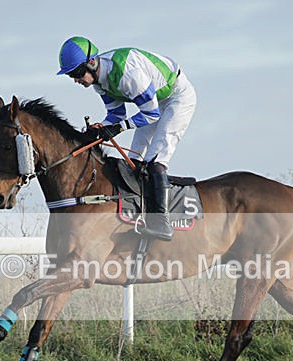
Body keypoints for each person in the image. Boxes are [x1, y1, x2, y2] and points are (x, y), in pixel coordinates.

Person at [57, 36, 196, 241]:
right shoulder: (99, 84)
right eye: (71, 76)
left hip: (177, 98)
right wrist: (99, 128)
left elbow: (151, 114)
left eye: (77, 74)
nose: (76, 80)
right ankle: (138, 213)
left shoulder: (126, 74)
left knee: (155, 162)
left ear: (92, 62)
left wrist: (117, 129)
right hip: (154, 103)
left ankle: (162, 223)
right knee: (136, 162)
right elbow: (116, 116)